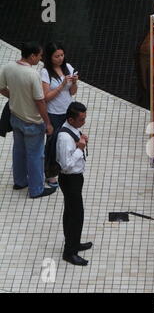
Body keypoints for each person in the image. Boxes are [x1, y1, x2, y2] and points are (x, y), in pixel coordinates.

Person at [0, 41, 56, 198]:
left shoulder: (8, 67)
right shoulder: (32, 75)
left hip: (15, 117)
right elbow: (40, 101)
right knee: (35, 155)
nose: (40, 58)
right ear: (32, 56)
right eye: (39, 55)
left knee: (18, 151)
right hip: (32, 122)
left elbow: (1, 87)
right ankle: (36, 189)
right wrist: (48, 123)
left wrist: (14, 97)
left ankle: (20, 181)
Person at [57, 102, 92, 266]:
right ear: (71, 119)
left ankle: (74, 243)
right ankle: (69, 252)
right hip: (70, 179)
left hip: (76, 178)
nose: (84, 122)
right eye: (81, 119)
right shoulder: (64, 138)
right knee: (75, 216)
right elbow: (66, 164)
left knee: (72, 213)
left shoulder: (72, 129)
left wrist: (81, 139)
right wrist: (80, 148)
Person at [42, 42, 79, 188]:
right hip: (54, 113)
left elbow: (73, 92)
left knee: (68, 141)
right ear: (49, 57)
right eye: (56, 56)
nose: (60, 58)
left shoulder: (68, 67)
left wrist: (74, 83)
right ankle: (50, 173)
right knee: (53, 144)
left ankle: (64, 168)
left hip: (68, 112)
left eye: (62, 55)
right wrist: (62, 85)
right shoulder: (45, 72)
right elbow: (46, 97)